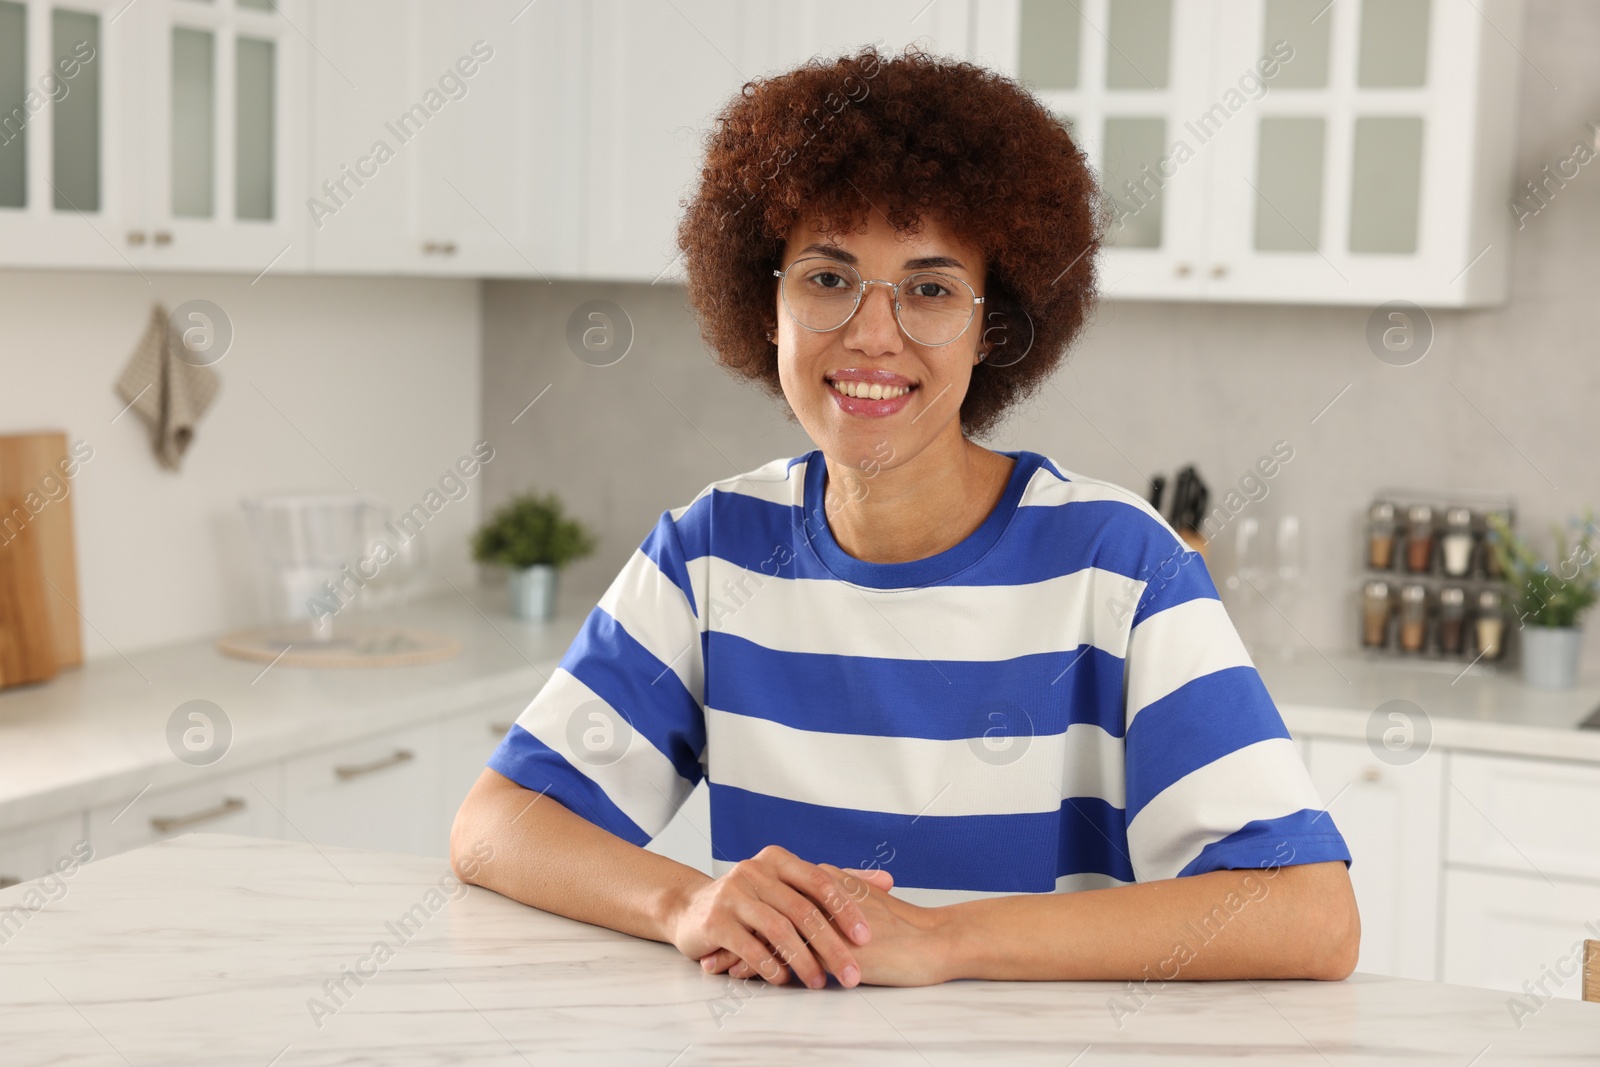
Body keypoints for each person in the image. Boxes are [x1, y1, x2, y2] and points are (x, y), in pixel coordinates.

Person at [451, 43, 1358, 990]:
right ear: (769, 306)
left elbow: (1309, 914)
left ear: (991, 326)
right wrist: (686, 903)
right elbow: (494, 823)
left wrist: (945, 940)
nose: (873, 333)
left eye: (930, 289)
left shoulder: (1122, 564)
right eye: (828, 277)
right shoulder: (713, 550)